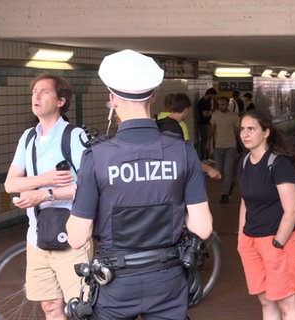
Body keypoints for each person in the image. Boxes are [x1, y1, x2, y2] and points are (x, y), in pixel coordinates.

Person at [66, 49, 213, 320]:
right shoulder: (183, 152)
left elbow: (76, 238)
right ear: (153, 97)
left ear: (111, 99)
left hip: (115, 284)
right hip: (168, 280)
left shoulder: (97, 156)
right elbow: (202, 228)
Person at [4, 73, 92, 320]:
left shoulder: (74, 136)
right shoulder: (28, 138)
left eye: (44, 92)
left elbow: (89, 187)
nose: (36, 96)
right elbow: (11, 183)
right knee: (50, 306)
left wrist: (43, 195)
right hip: (37, 237)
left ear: (61, 101)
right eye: (34, 92)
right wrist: (45, 180)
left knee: (81, 308)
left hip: (72, 238)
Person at [237, 109, 295, 320]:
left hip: (278, 241)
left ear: (265, 133)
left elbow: (292, 210)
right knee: (266, 300)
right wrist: (241, 237)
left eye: (251, 129)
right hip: (251, 240)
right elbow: (245, 201)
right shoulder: (245, 162)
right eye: (242, 129)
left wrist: (278, 243)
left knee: (287, 303)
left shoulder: (279, 164)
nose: (245, 134)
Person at [159, 92, 221, 179]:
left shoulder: (157, 121)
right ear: (186, 110)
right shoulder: (180, 126)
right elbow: (187, 155)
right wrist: (208, 169)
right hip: (177, 173)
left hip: (161, 172)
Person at [210, 96, 240, 203]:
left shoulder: (234, 116)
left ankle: (225, 193)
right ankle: (228, 184)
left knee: (228, 170)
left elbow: (237, 130)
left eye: (223, 104)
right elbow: (212, 128)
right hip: (218, 146)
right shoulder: (215, 115)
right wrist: (209, 142)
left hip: (230, 147)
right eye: (219, 104)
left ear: (227, 105)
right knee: (219, 171)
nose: (221, 106)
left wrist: (237, 140)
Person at [197, 87, 217, 161]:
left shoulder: (208, 101)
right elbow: (205, 114)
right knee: (204, 140)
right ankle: (204, 157)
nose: (214, 98)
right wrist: (212, 110)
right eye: (214, 95)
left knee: (208, 140)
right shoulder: (203, 102)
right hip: (204, 124)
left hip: (207, 123)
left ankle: (207, 157)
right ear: (210, 94)